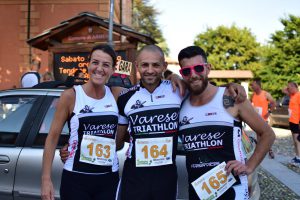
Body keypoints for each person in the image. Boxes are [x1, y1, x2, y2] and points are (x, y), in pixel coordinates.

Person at [116, 45, 247, 200]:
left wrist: (231, 87)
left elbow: (205, 89)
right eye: (145, 65)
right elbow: (119, 140)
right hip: (134, 177)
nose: (150, 70)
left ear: (164, 66)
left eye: (156, 65)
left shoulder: (179, 91)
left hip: (166, 179)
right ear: (137, 66)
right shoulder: (125, 98)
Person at [177, 46, 275, 200]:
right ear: (182, 74)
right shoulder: (180, 104)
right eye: (187, 71)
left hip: (233, 190)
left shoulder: (230, 98)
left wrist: (249, 165)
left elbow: (268, 134)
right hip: (197, 191)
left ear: (208, 68)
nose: (193, 75)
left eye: (198, 68)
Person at [41, 44, 122, 200]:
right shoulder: (71, 95)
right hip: (75, 180)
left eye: (106, 65)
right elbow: (52, 138)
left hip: (108, 180)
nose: (99, 68)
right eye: (95, 62)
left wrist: (174, 78)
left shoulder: (116, 94)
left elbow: (146, 91)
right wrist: (46, 180)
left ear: (113, 69)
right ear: (88, 64)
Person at [250, 78, 276, 158]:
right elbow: (251, 103)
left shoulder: (265, 94)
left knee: (266, 135)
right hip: (256, 119)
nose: (252, 86)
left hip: (264, 119)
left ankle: (269, 150)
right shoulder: (253, 95)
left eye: (253, 85)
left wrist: (269, 112)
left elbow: (273, 102)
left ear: (258, 85)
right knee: (258, 135)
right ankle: (260, 152)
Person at [285, 81, 300, 166]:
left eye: (289, 87)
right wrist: (288, 88)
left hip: (296, 121)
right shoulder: (292, 95)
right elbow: (283, 90)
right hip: (292, 120)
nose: (288, 89)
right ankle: (297, 156)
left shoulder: (298, 95)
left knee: (297, 140)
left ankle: (299, 158)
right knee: (295, 140)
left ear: (294, 87)